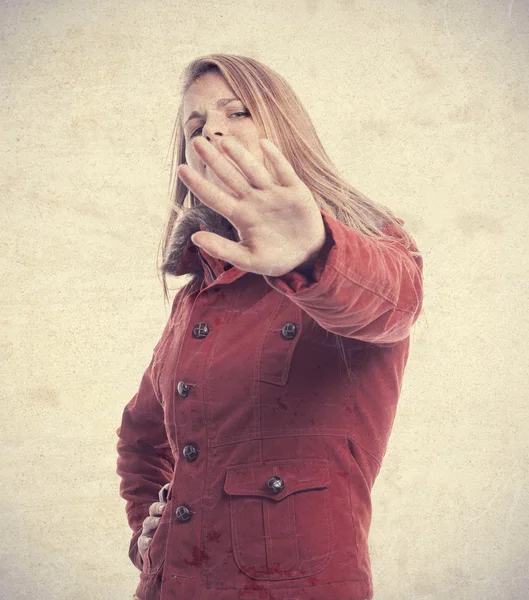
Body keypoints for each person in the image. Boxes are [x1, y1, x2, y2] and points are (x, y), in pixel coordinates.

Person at [116, 53, 424, 600]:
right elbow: (142, 435)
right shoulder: (195, 297)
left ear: (282, 127)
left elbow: (392, 303)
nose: (211, 129)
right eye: (195, 126)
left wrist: (310, 252)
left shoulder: (366, 246)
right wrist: (146, 531)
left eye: (235, 112)